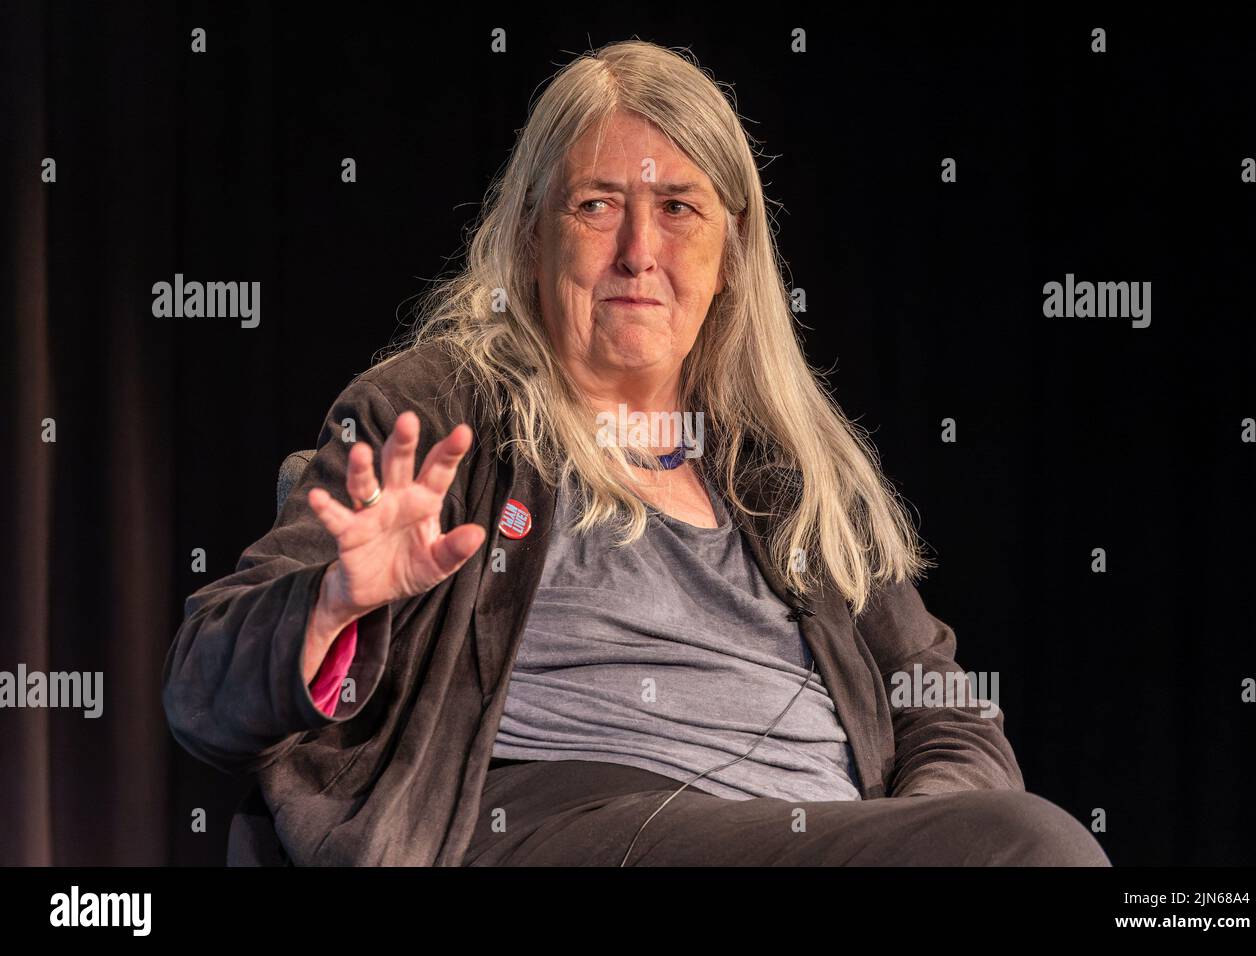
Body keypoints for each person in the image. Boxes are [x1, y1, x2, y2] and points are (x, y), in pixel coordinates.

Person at [161, 39, 1110, 867]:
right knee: (1036, 850)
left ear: (733, 254)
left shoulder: (787, 476)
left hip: (811, 835)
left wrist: (917, 839)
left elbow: (945, 710)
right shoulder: (438, 413)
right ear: (531, 234)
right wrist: (333, 605)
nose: (637, 253)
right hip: (549, 822)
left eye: (681, 210)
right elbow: (202, 689)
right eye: (597, 204)